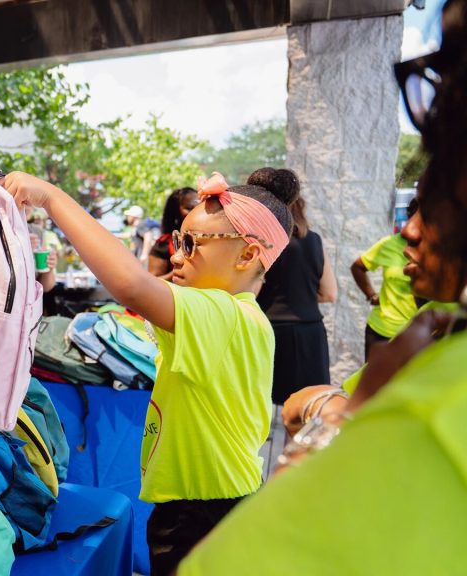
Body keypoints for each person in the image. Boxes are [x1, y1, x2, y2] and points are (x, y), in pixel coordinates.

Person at [177, 2, 467, 572]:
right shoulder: (317, 245)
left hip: (283, 340)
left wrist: (327, 436)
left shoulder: (431, 411)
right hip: (309, 334)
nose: (410, 226)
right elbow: (333, 294)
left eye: (443, 159)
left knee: (261, 425)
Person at [3, 163, 295, 575]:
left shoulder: (225, 314)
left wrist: (51, 197)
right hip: (208, 505)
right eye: (179, 239)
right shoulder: (235, 315)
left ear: (247, 254)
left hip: (205, 514)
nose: (176, 254)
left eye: (193, 244)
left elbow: (131, 285)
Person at [255, 178, 337, 404]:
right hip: (309, 333)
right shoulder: (314, 240)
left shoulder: (263, 241)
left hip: (269, 328)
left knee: (261, 402)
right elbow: (330, 293)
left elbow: (252, 289)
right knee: (308, 406)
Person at [350, 200, 420, 360]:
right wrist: (372, 295)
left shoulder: (440, 251)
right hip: (381, 332)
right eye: (413, 216)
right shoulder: (389, 244)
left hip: (417, 335)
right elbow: (357, 267)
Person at [148, 187, 199, 279]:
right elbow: (152, 282)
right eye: (189, 208)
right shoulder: (163, 244)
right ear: (175, 212)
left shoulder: (206, 238)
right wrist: (177, 273)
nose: (195, 212)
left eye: (198, 207)